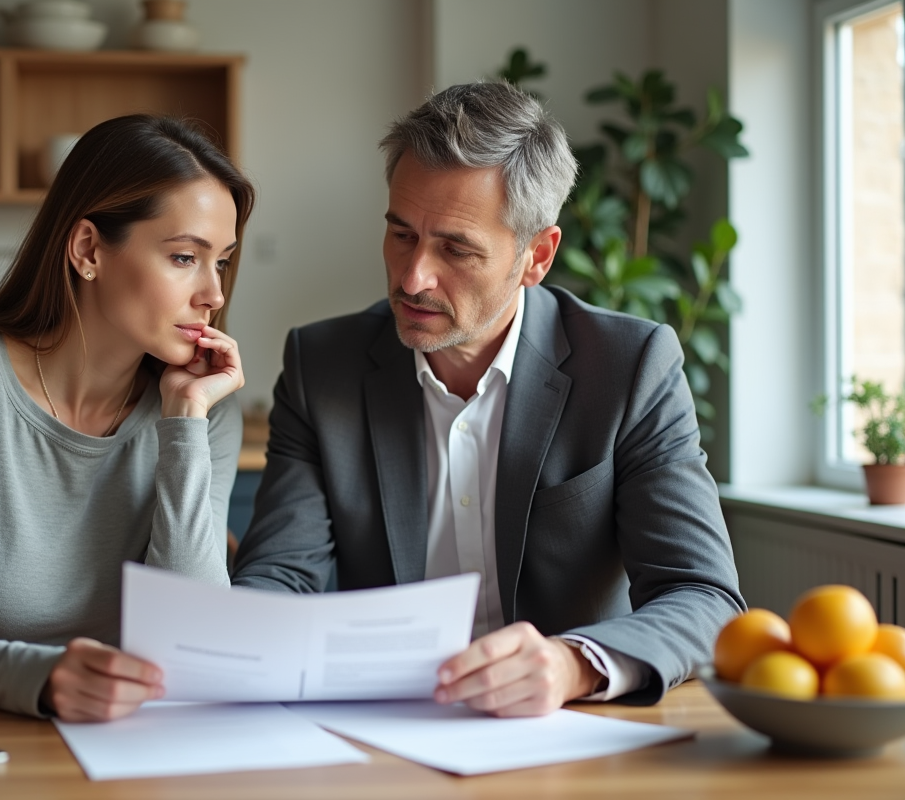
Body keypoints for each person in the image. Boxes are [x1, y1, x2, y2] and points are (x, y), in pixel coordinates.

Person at [232, 81, 744, 715]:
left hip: (573, 729)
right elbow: (279, 576)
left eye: (456, 248)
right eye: (401, 235)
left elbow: (703, 595)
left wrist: (570, 664)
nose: (413, 277)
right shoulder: (323, 366)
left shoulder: (628, 367)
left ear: (537, 256)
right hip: (383, 725)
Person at [0, 115, 255, 721]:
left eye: (220, 262)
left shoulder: (202, 409)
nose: (214, 295)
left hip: (128, 747)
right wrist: (41, 678)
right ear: (88, 250)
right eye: (183, 257)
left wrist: (184, 423)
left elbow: (194, 636)